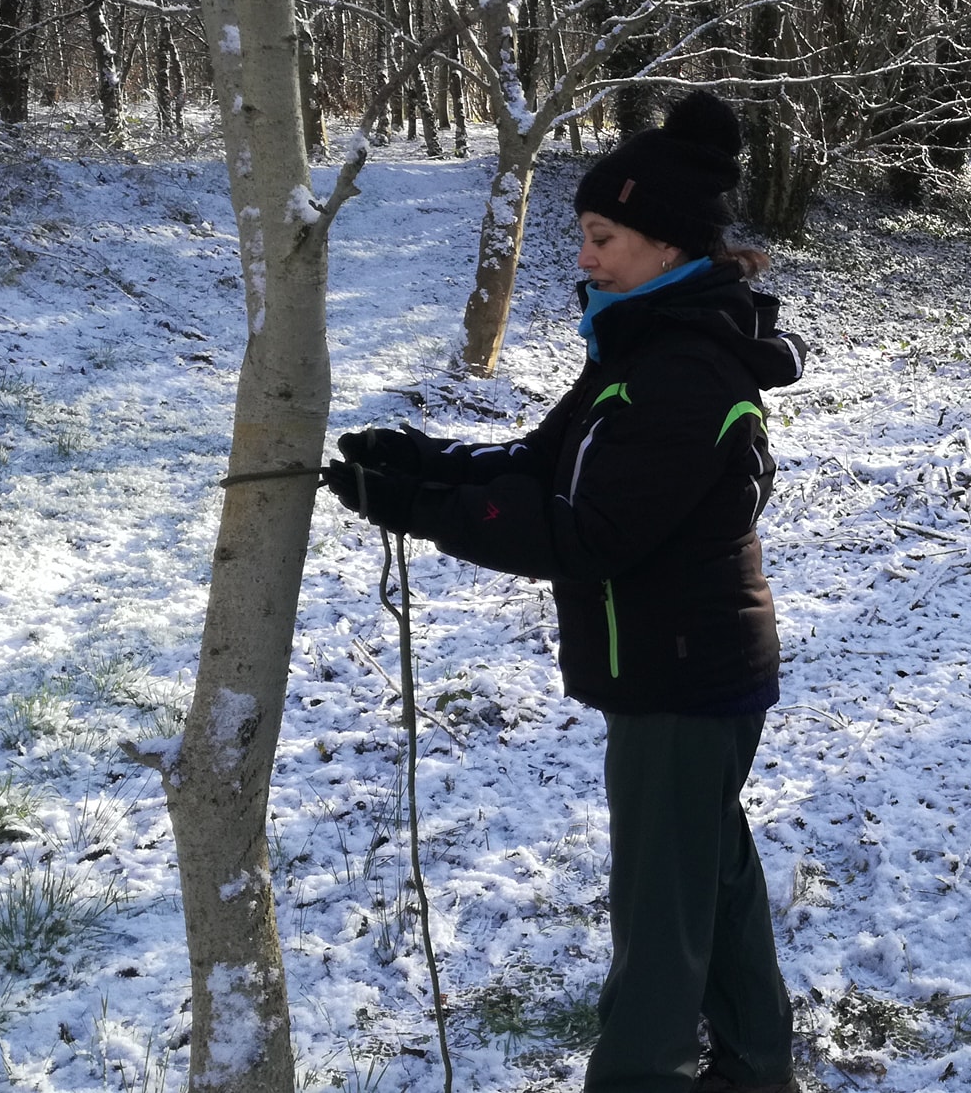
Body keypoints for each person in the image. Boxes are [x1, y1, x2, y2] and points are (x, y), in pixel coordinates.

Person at [325, 91, 807, 1093]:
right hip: (689, 666)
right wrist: (423, 465)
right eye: (583, 234)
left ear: (665, 244)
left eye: (601, 237)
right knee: (707, 876)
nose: (582, 256)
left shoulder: (680, 370)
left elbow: (584, 533)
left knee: (659, 913)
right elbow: (542, 463)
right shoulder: (636, 346)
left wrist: (418, 511)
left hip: (680, 677)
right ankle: (757, 1066)